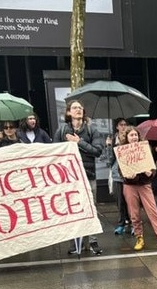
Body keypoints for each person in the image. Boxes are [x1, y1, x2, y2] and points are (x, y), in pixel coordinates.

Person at [54, 99, 105, 255]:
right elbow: (54, 153)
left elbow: (97, 151)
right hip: (69, 178)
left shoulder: (91, 130)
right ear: (69, 112)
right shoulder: (61, 131)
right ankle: (76, 242)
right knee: (72, 209)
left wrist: (79, 142)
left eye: (80, 108)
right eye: (74, 108)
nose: (78, 110)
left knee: (91, 208)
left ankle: (93, 241)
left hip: (88, 176)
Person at [118, 126, 157, 252]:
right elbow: (120, 169)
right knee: (134, 214)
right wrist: (127, 175)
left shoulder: (145, 149)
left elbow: (151, 166)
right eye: (131, 135)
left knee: (153, 211)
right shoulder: (122, 151)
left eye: (135, 135)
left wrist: (150, 172)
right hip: (129, 185)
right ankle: (139, 238)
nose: (134, 137)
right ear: (126, 138)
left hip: (144, 184)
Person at [105, 118, 130, 235]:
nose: (123, 127)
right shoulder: (113, 140)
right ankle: (121, 224)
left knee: (130, 201)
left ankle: (132, 222)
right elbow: (109, 161)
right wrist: (109, 146)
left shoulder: (129, 138)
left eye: (125, 124)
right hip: (117, 175)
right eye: (121, 124)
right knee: (120, 201)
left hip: (129, 174)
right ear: (117, 127)